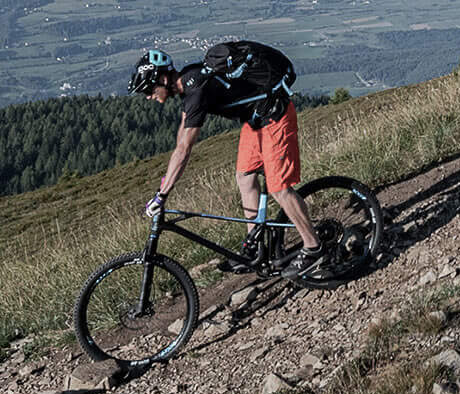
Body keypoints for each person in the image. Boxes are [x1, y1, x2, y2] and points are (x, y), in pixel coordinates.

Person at [129, 43, 324, 277]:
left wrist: (162, 196)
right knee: (245, 176)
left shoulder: (196, 88)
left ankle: (313, 247)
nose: (149, 96)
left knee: (279, 189)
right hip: (255, 121)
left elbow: (185, 149)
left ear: (162, 78)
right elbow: (182, 134)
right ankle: (254, 247)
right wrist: (163, 185)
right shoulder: (190, 82)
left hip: (274, 115)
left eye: (149, 90)